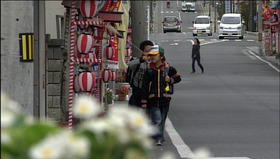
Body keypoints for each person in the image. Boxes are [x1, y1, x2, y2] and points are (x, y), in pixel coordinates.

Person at [141, 45, 181, 146]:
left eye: (155, 55)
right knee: (157, 119)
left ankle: (157, 136)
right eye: (151, 56)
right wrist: (144, 101)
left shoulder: (168, 69)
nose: (153, 57)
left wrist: (171, 80)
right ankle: (159, 138)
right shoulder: (149, 70)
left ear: (161, 56)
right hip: (153, 99)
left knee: (162, 119)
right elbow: (145, 86)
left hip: (165, 98)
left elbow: (178, 78)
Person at [126, 40, 154, 108]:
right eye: (147, 51)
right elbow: (129, 65)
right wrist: (142, 59)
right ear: (142, 51)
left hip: (150, 93)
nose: (149, 53)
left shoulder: (155, 61)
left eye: (151, 51)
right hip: (137, 91)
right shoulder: (137, 61)